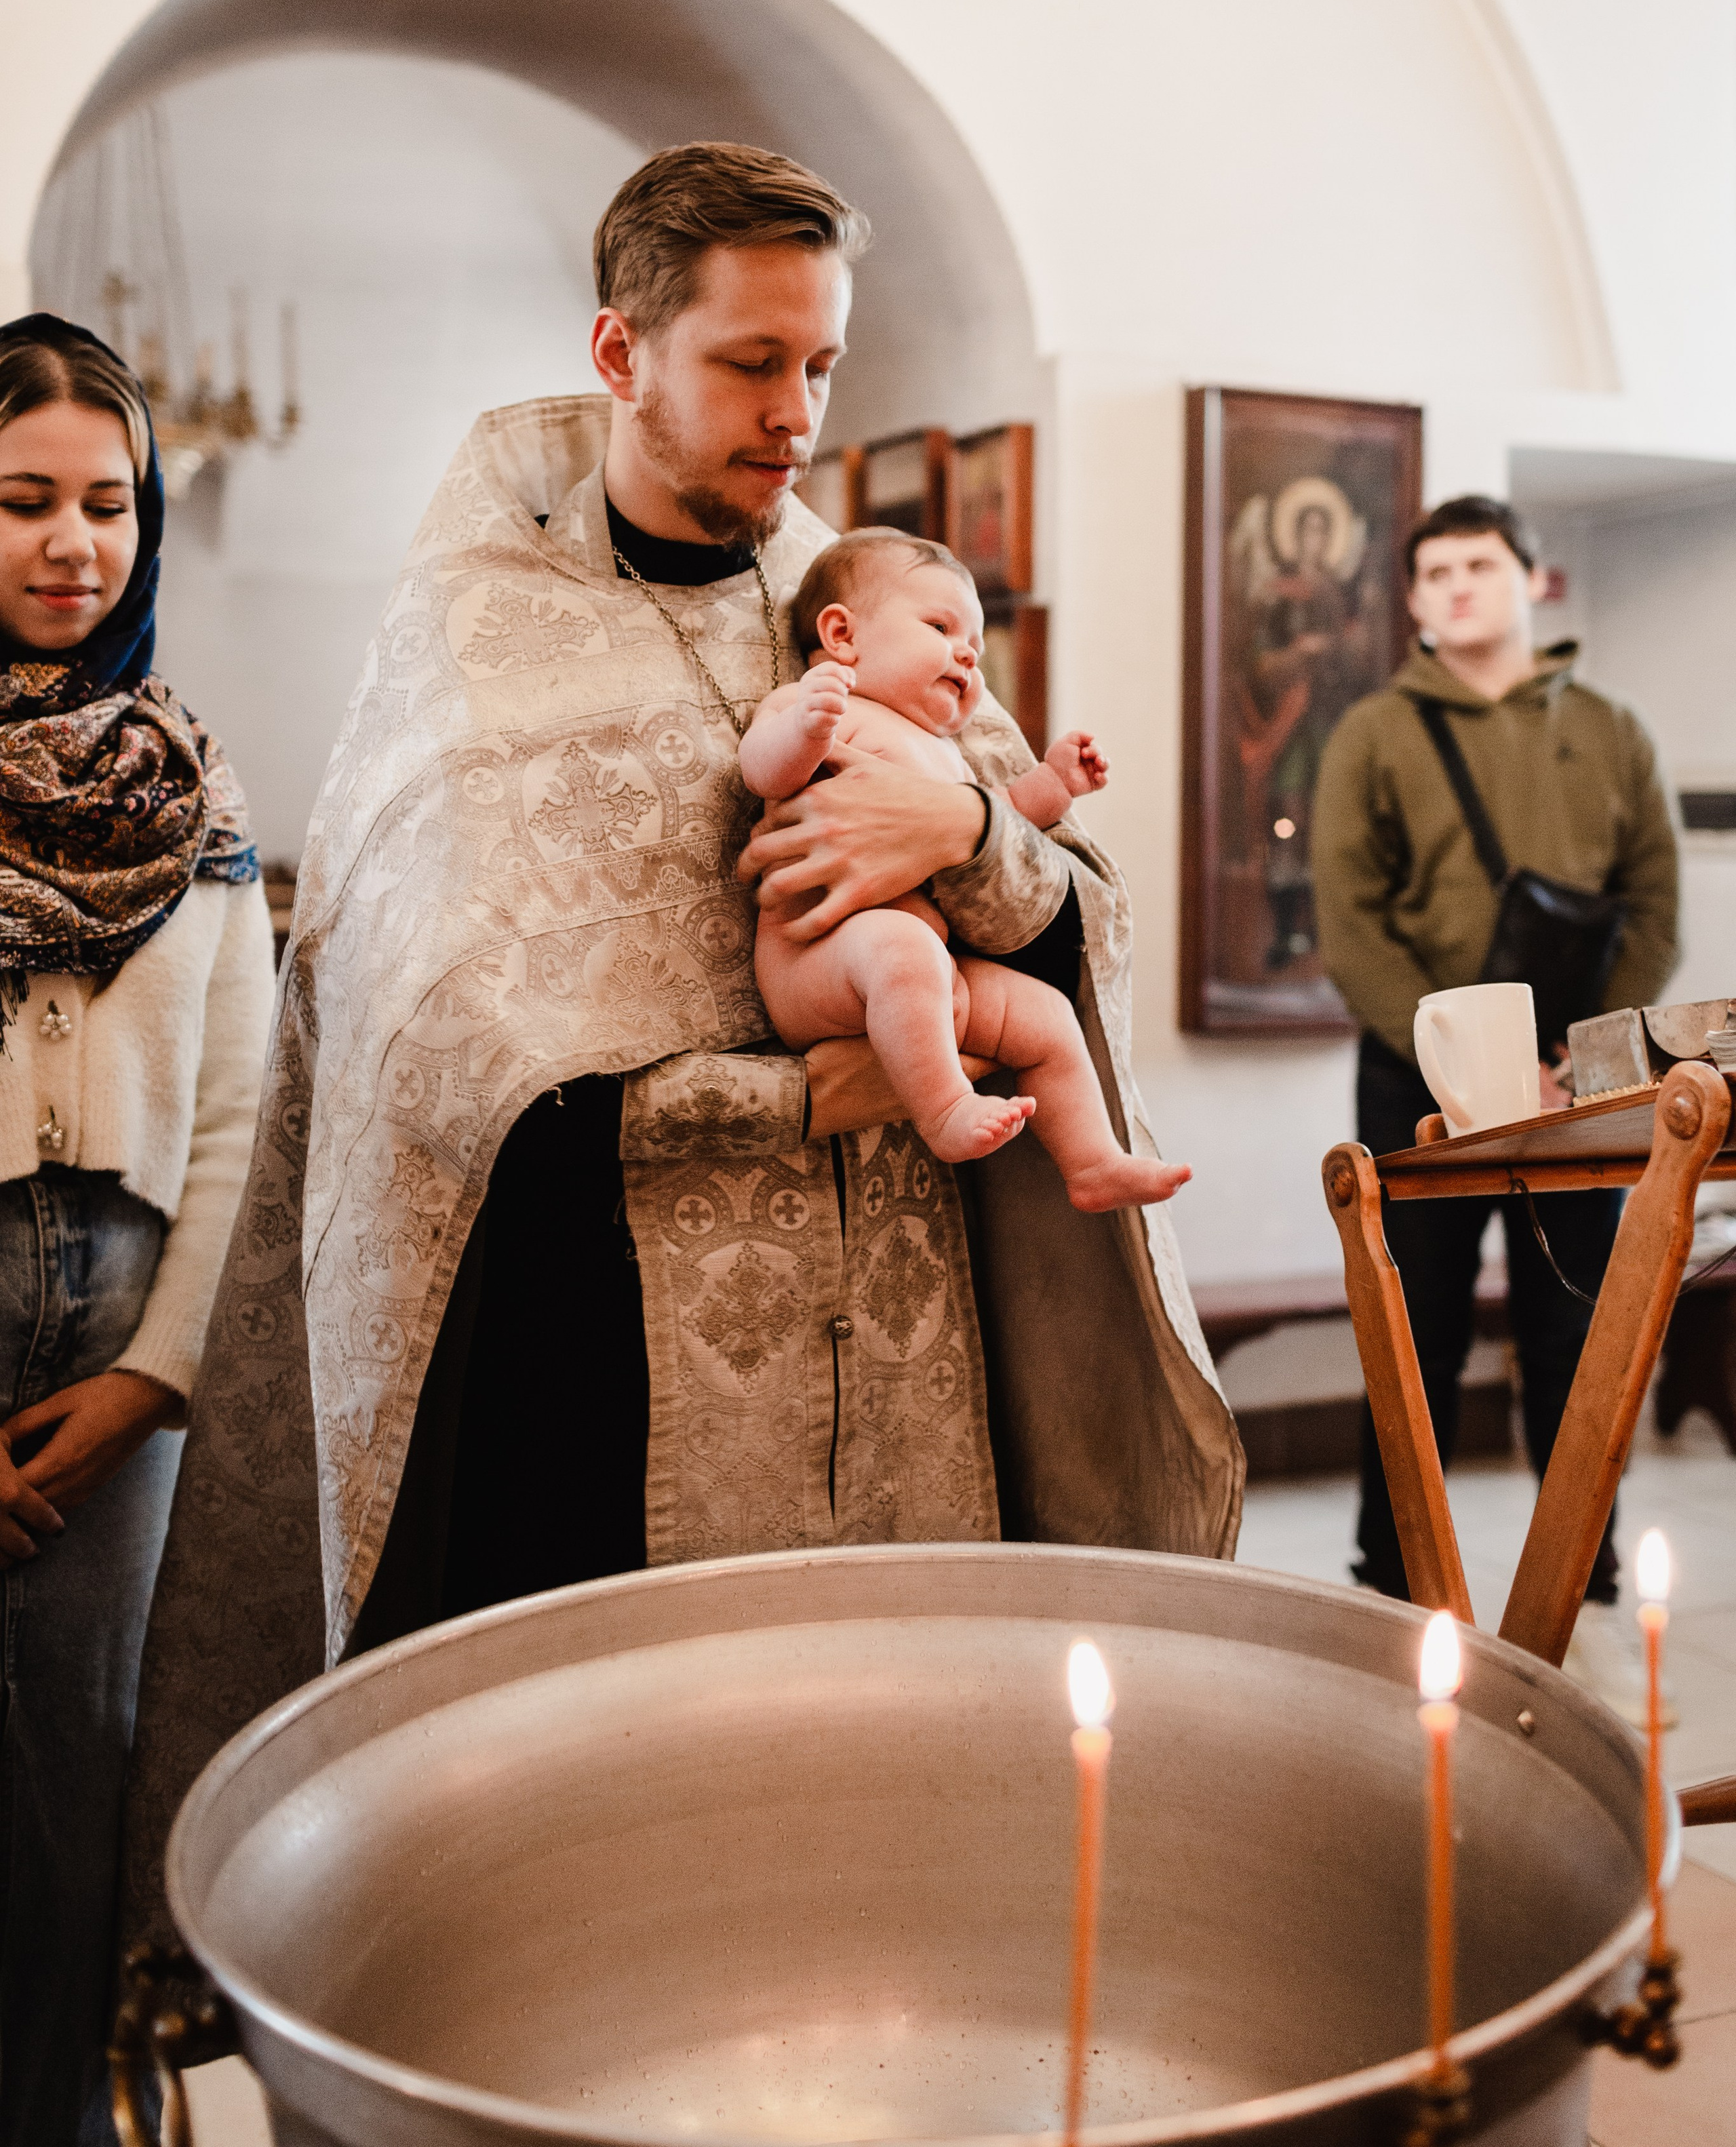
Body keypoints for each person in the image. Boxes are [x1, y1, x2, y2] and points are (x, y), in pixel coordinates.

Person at [126, 142, 1242, 1931]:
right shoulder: (487, 634)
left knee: (883, 1879)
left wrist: (970, 836)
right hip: (598, 1385)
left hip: (900, 1385)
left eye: (822, 364)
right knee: (621, 1908)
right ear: (622, 347)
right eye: (749, 362)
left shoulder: (855, 604)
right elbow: (430, 1060)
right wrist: (815, 1081)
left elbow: (1070, 911)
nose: (799, 411)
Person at [0, 318, 273, 2144]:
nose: (70, 543)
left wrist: (159, 1379)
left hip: (121, 1342)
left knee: (78, 1801)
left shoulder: (195, 787)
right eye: (21, 501)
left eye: (109, 502)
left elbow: (249, 1110)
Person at [1312, 494, 1678, 1718]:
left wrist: (1577, 1058)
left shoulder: (1614, 731)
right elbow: (1351, 921)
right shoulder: (1373, 732)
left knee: (1583, 1331)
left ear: (1531, 580)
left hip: (1577, 1084)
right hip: (1412, 1076)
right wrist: (1460, 1055)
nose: (1459, 587)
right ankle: (1387, 1582)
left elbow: (1653, 902)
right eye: (1436, 572)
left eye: (1481, 564)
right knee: (1410, 1332)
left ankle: (1595, 1581)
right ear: (1412, 601)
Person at [741, 525, 1194, 1208]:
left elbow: (1000, 813)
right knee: (903, 948)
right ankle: (947, 1109)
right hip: (817, 959)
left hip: (928, 969)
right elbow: (761, 769)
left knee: (1042, 1016)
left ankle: (1092, 1160)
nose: (966, 655)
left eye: (976, 648)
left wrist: (1055, 782)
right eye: (940, 625)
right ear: (842, 635)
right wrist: (803, 728)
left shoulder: (944, 751)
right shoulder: (826, 704)